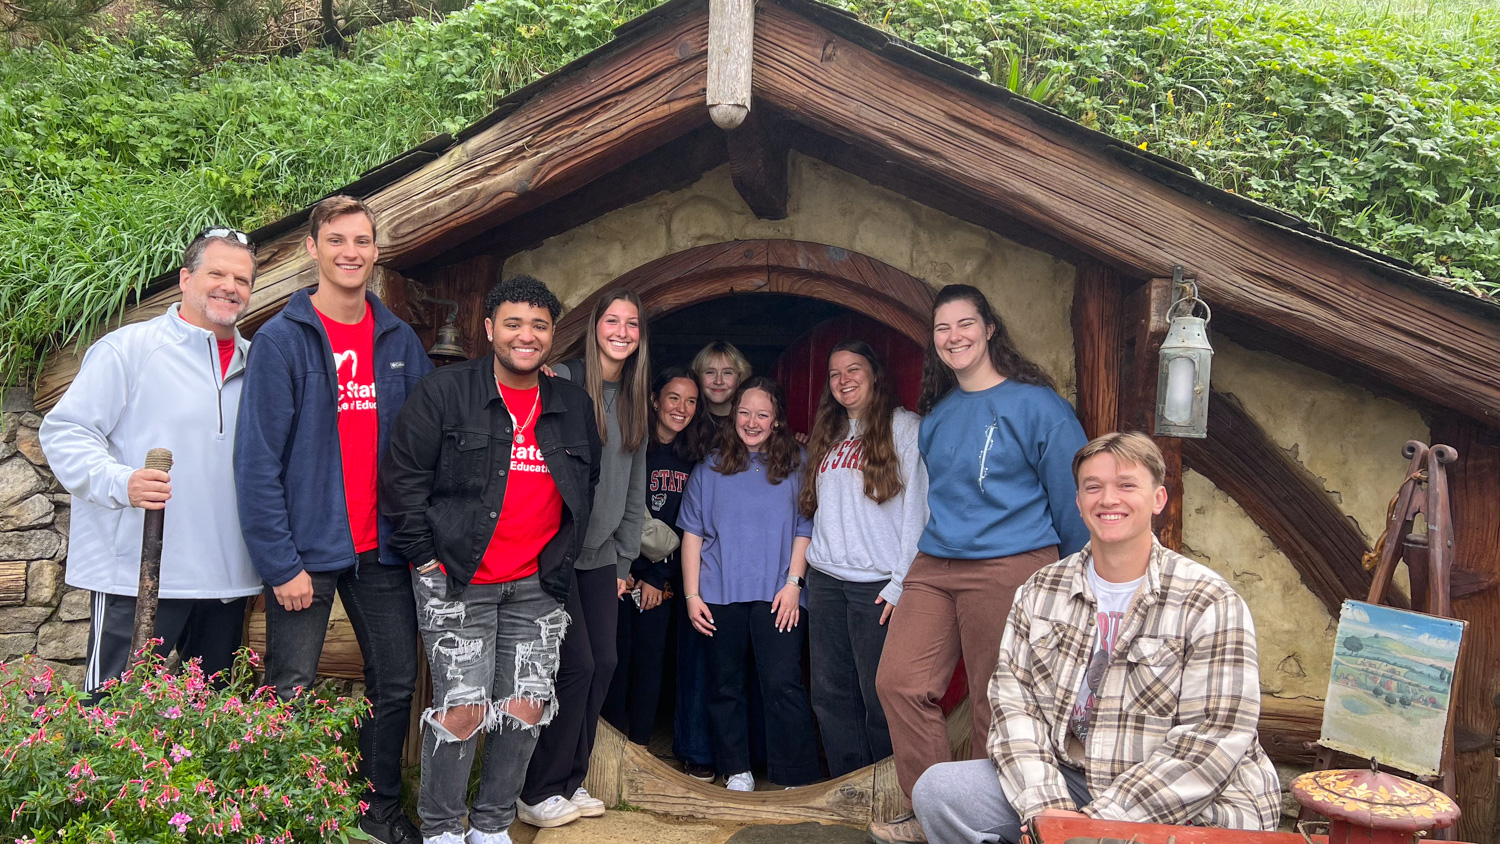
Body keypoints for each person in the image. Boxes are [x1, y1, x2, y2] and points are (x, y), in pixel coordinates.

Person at [912, 432, 1282, 842]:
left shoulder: (1209, 601)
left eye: (1126, 485)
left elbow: (1211, 739)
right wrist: (1047, 810)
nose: (1109, 499)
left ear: (1158, 499)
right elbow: (1014, 708)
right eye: (1094, 487)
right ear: (1079, 502)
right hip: (1070, 779)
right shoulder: (1040, 591)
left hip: (1184, 800)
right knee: (939, 791)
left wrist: (1098, 823)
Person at [233, 196, 433, 844]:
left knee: (396, 680)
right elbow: (257, 462)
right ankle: (278, 815)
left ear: (376, 252)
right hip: (307, 551)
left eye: (363, 240)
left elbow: (436, 428)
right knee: (288, 685)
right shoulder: (283, 341)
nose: (352, 252)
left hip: (380, 551)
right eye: (338, 240)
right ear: (313, 249)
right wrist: (280, 563)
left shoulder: (399, 340)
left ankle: (377, 811)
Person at [380, 276, 601, 844]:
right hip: (456, 579)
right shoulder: (445, 392)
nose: (526, 336)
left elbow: (585, 483)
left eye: (539, 326)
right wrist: (424, 559)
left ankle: (491, 826)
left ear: (553, 334)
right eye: (513, 324)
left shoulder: (571, 403)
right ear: (489, 329)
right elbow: (402, 480)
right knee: (463, 711)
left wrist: (562, 558)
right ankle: (441, 828)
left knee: (526, 707)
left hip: (536, 584)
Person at [871, 284, 1089, 844]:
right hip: (936, 563)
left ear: (989, 329)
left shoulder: (1038, 405)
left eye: (964, 324)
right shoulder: (938, 417)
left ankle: (1003, 826)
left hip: (1012, 564)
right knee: (898, 682)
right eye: (943, 329)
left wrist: (1077, 575)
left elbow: (1073, 498)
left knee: (1000, 701)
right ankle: (933, 815)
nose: (954, 337)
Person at [40, 227, 260, 694]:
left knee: (214, 723)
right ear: (185, 279)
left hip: (229, 578)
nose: (230, 287)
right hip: (140, 573)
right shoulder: (129, 350)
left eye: (242, 279)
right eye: (216, 273)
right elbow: (65, 431)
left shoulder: (258, 362)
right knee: (114, 715)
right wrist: (121, 482)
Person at [520, 289, 649, 827]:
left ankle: (570, 781)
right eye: (612, 320)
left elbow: (635, 490)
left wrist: (623, 562)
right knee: (576, 666)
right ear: (595, 326)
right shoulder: (567, 382)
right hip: (558, 551)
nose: (622, 331)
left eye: (632, 323)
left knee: (606, 665)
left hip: (600, 558)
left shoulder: (636, 396)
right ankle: (536, 789)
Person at [679, 376, 822, 791]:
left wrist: (795, 583)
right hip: (719, 590)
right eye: (744, 412)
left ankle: (796, 773)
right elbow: (693, 534)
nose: (752, 421)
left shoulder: (798, 461)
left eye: (762, 414)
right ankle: (736, 768)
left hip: (781, 592)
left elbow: (804, 527)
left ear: (777, 419)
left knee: (782, 681)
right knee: (725, 684)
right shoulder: (711, 465)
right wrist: (691, 595)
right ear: (733, 415)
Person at [799, 341, 928, 777]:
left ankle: (886, 787)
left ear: (874, 374)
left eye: (853, 369)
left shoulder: (905, 428)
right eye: (834, 374)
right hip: (827, 580)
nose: (843, 380)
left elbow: (919, 512)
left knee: (879, 695)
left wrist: (901, 582)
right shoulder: (830, 433)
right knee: (831, 695)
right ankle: (846, 786)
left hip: (877, 586)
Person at [603, 366, 714, 751]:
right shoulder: (632, 445)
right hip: (621, 571)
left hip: (662, 577)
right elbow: (615, 509)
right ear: (654, 400)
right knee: (615, 659)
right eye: (673, 397)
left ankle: (640, 746)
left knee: (651, 663)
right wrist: (629, 569)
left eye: (690, 401)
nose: (681, 408)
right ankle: (612, 745)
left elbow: (693, 528)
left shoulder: (696, 456)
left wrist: (659, 576)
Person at [691, 341, 751, 431]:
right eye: (710, 372)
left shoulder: (751, 421)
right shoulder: (688, 419)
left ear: (739, 377)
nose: (718, 381)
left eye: (727, 373)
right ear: (699, 377)